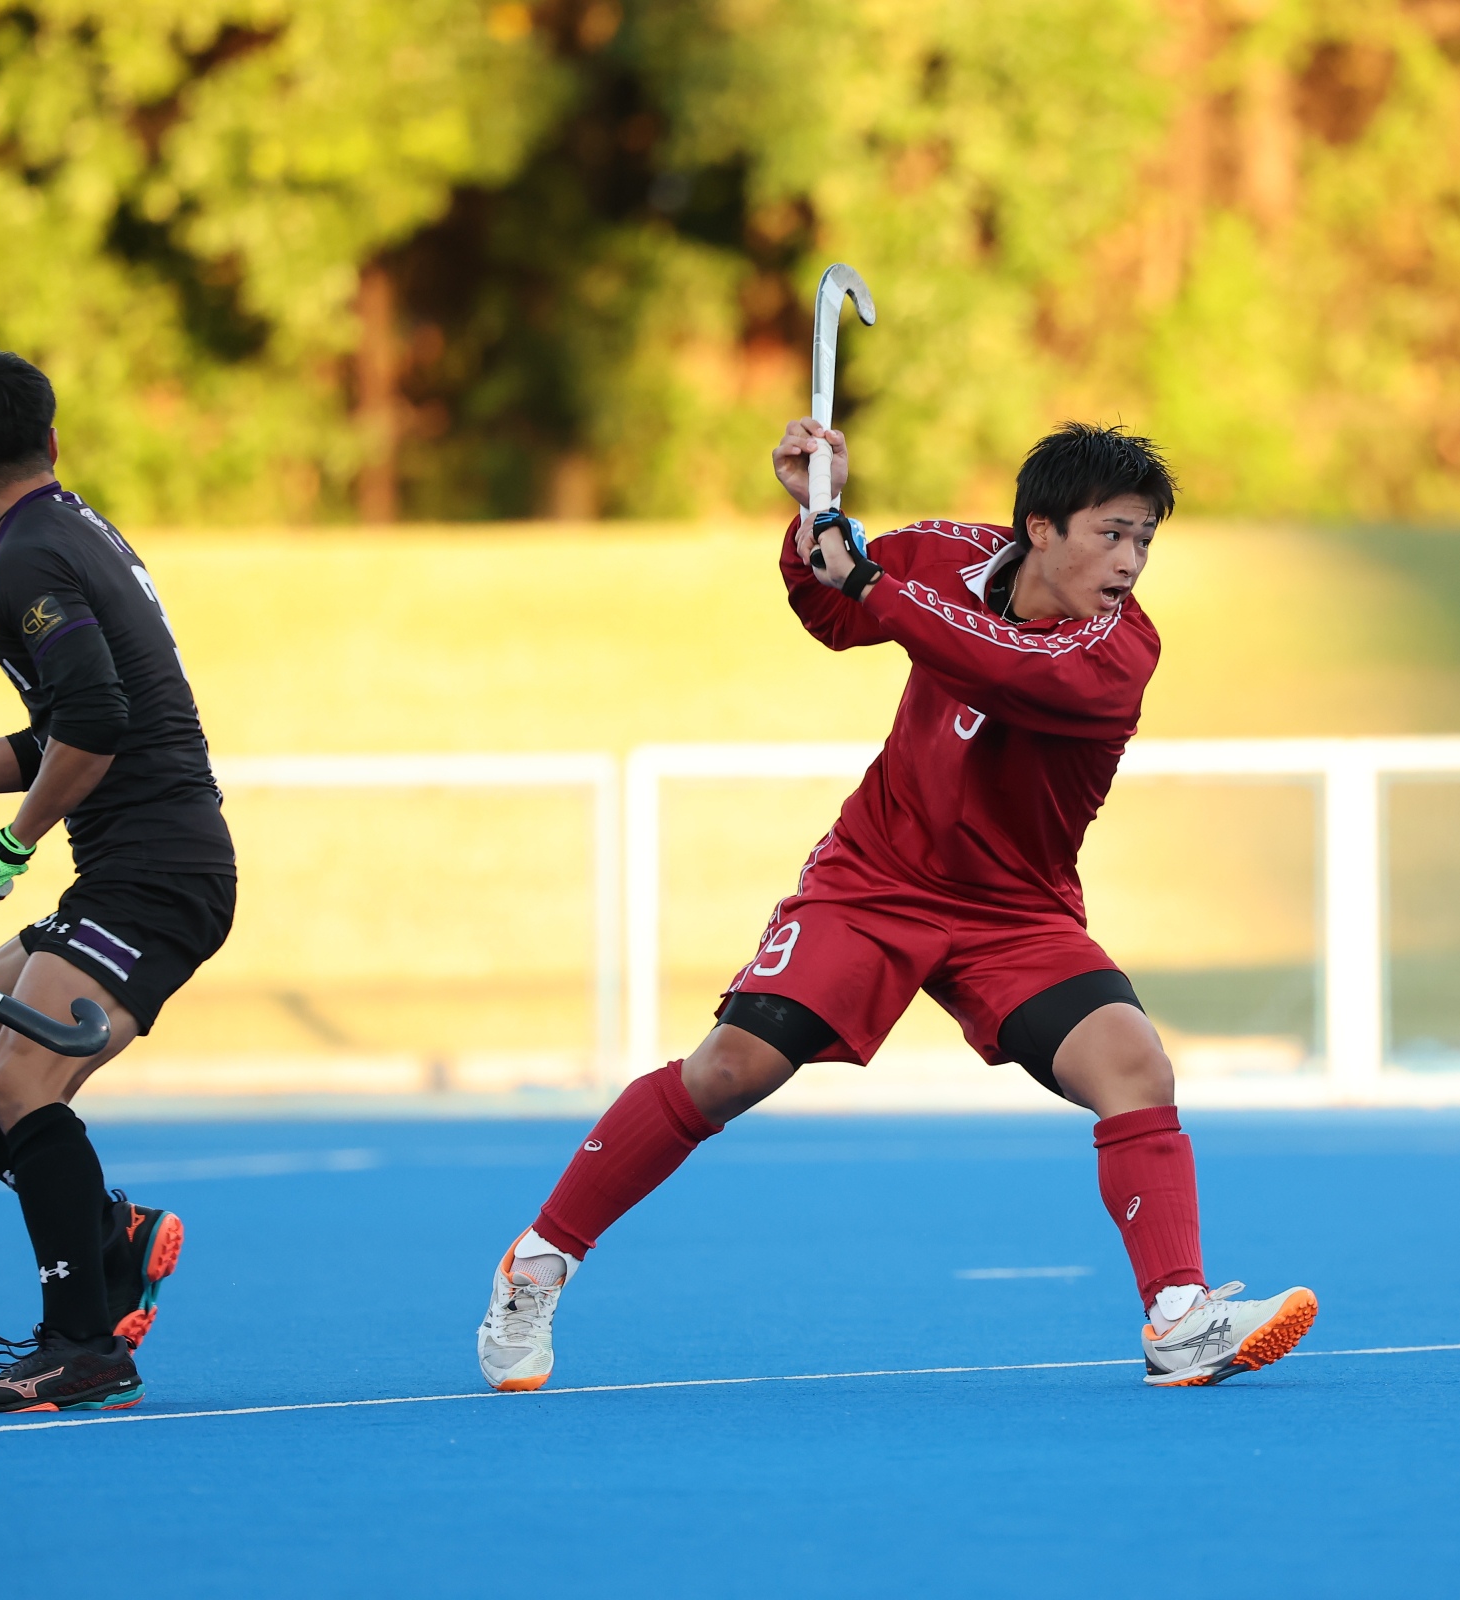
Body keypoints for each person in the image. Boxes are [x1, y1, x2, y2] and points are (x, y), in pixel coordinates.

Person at [477, 418, 1317, 1390]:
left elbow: (999, 662)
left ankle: (1179, 1318)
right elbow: (833, 613)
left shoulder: (1118, 651)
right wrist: (816, 518)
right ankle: (538, 1262)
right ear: (1041, 528)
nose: (1130, 561)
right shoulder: (944, 555)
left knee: (1133, 1063)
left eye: (1144, 539)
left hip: (1014, 911)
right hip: (874, 879)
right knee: (730, 1069)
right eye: (1111, 533)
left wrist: (875, 581)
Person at [0, 349, 236, 1413]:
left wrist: (12, 842)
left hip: (155, 874)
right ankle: (110, 1234)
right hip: (128, 871)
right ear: (52, 440)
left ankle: (85, 1343)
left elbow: (94, 727)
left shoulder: (26, 561)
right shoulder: (71, 529)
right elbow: (65, 733)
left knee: (20, 1083)